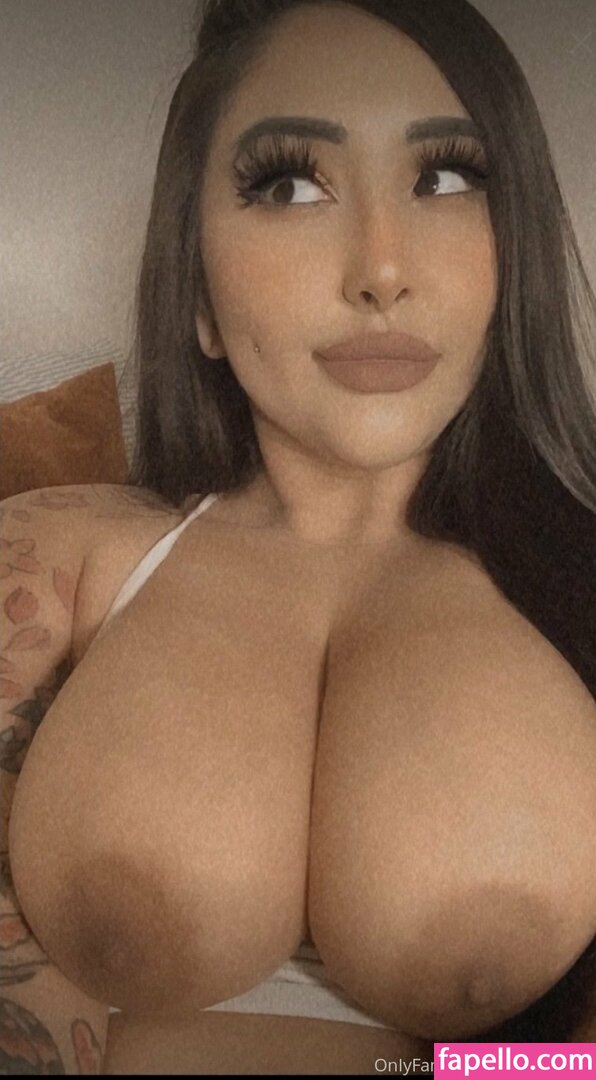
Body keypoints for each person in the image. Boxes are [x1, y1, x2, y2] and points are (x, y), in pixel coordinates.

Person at [3, 0, 596, 1073]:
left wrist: (446, 1071)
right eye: (288, 185)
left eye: (445, 177)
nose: (381, 269)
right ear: (196, 290)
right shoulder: (57, 558)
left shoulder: (576, 589)